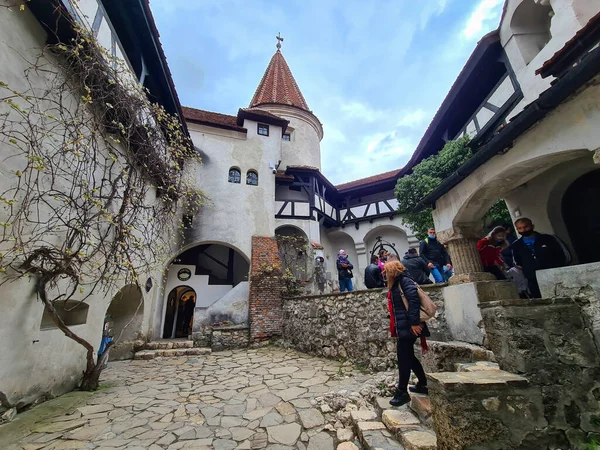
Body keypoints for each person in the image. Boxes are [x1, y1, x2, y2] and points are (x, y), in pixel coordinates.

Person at [385, 260, 429, 407]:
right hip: (404, 326)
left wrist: (414, 323)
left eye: (386, 271)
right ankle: (423, 384)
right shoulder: (399, 283)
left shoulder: (404, 282)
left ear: (392, 271)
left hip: (409, 327)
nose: (384, 274)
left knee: (404, 359)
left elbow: (414, 301)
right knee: (408, 357)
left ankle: (402, 392)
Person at [510, 218, 569, 298]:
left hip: (554, 276)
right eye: (520, 228)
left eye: (526, 227)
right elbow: (517, 263)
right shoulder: (516, 245)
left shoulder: (549, 238)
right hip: (534, 280)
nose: (523, 230)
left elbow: (564, 255)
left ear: (532, 226)